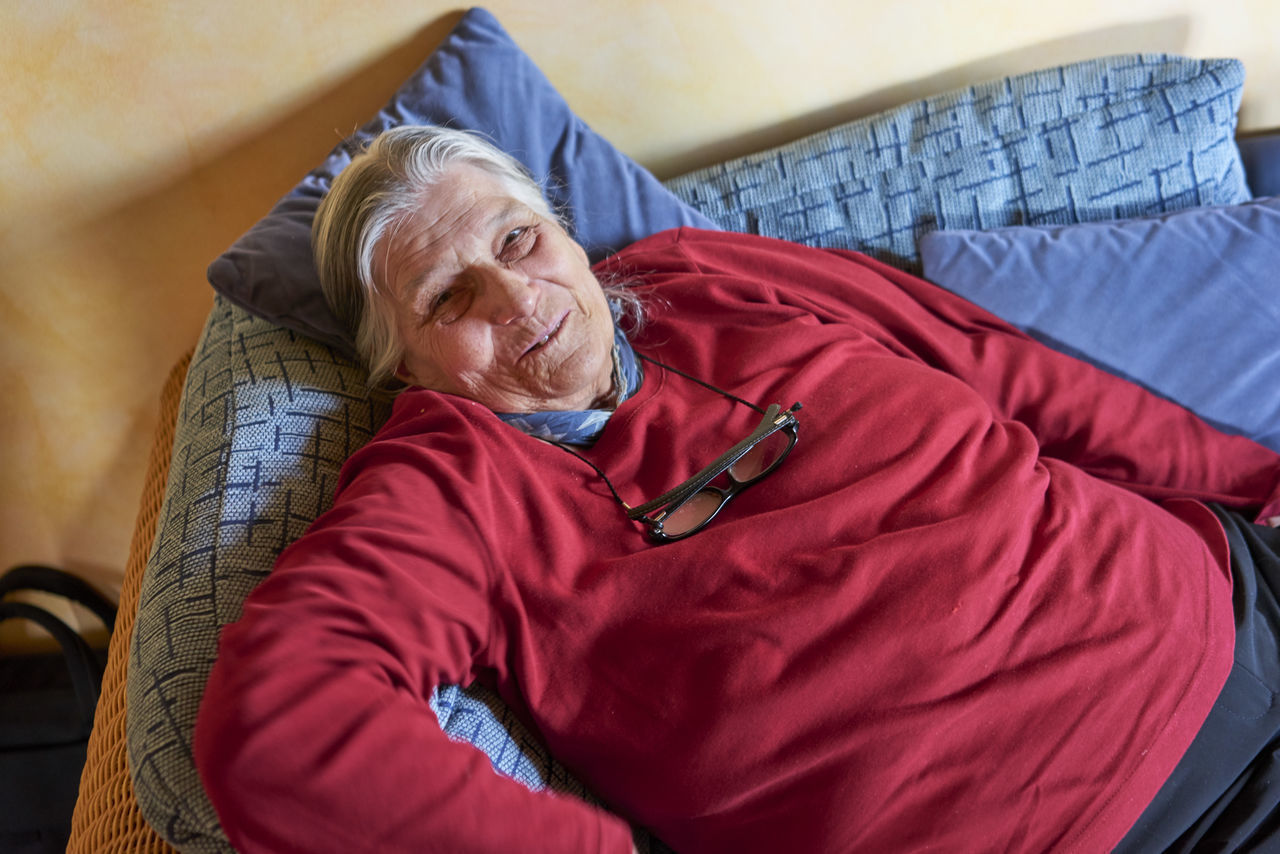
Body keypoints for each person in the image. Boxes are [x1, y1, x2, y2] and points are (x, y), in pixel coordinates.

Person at [193, 125, 1280, 853]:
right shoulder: (445, 484)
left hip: (1233, 604)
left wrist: (1253, 486)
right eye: (447, 295)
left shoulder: (701, 274)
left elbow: (997, 364)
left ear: (565, 234)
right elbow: (276, 727)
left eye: (518, 238)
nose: (517, 295)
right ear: (406, 365)